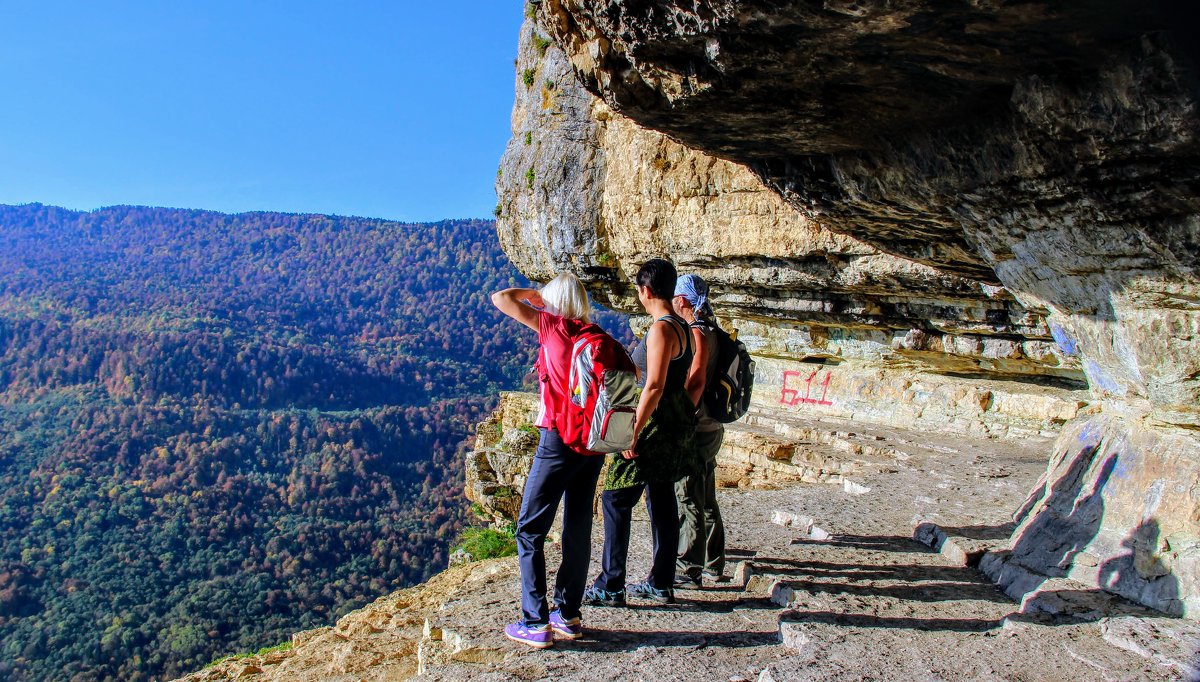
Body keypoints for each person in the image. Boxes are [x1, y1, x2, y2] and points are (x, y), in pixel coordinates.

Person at [491, 273, 607, 648]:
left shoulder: (551, 325)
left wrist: (537, 297)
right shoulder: (594, 333)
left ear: (552, 302)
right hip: (592, 443)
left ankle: (535, 620)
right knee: (578, 526)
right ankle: (568, 615)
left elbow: (502, 298)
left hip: (557, 439)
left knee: (530, 528)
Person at [584, 258, 697, 606]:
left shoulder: (662, 328)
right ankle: (661, 582)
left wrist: (632, 431)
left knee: (615, 498)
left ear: (645, 290)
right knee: (661, 499)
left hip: (652, 427)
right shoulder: (684, 328)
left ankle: (611, 583)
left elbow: (654, 385)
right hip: (674, 424)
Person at [672, 274, 727, 588]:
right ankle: (712, 563)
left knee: (689, 498)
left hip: (696, 427)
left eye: (677, 297)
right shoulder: (712, 329)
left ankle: (689, 568)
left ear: (683, 300)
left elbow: (694, 382)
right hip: (712, 425)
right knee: (706, 497)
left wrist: (680, 419)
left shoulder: (696, 333)